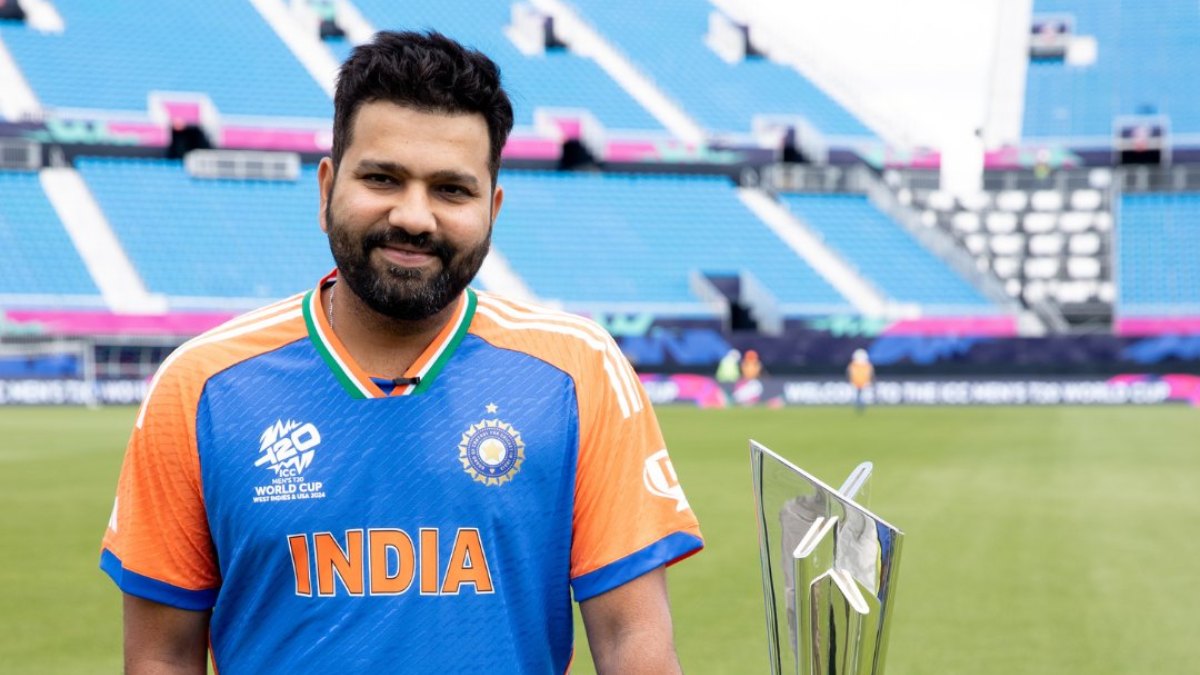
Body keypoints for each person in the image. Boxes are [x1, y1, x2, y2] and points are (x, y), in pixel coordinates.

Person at [100, 31, 703, 674]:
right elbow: (162, 656)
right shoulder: (200, 386)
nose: (415, 216)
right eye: (383, 178)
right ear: (326, 187)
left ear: (492, 208)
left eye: (452, 190)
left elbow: (631, 642)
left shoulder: (578, 370)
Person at [847, 348, 875, 413]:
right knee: (857, 396)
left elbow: (871, 374)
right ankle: (858, 407)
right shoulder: (853, 365)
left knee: (863, 396)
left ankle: (861, 407)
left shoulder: (867, 365)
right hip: (856, 383)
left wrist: (870, 381)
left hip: (864, 383)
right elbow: (850, 374)